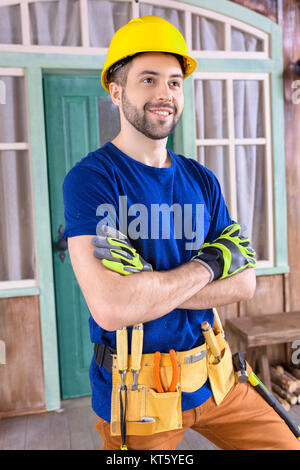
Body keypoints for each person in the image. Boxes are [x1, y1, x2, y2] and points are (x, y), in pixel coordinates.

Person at [62, 16, 300, 450]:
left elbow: (246, 282)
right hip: (137, 397)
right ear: (116, 92)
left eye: (174, 82)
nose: (164, 94)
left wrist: (146, 282)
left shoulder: (201, 179)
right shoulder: (92, 179)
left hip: (216, 378)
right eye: (148, 79)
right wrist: (213, 263)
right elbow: (112, 308)